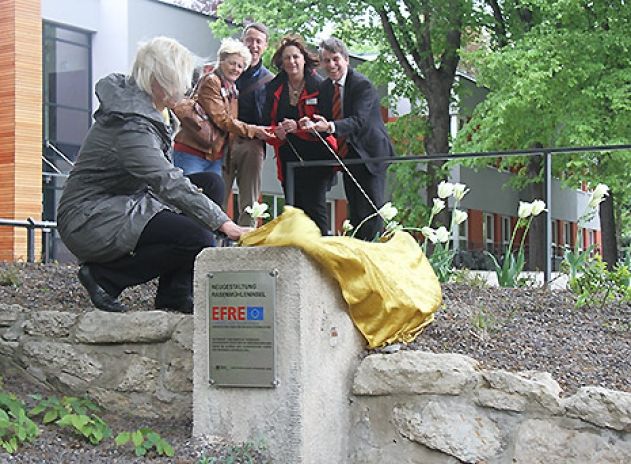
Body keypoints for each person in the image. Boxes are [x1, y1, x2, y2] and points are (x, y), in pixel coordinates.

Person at [57, 37, 250, 314]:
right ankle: (105, 277)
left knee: (211, 184)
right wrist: (224, 223)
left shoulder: (144, 107)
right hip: (89, 218)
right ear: (159, 80)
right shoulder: (130, 124)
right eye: (179, 79)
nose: (185, 86)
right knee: (199, 238)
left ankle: (175, 292)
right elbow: (165, 180)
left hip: (124, 201)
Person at [300, 37, 395, 241]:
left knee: (371, 209)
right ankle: (359, 249)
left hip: (371, 154)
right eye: (326, 61)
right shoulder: (325, 88)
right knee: (355, 211)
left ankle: (373, 251)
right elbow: (324, 118)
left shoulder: (362, 85)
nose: (331, 65)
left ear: (345, 59)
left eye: (335, 59)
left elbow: (358, 121)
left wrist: (330, 126)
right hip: (348, 155)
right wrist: (311, 123)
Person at [262, 34, 337, 235]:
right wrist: (276, 133)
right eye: (287, 58)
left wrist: (299, 126)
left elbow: (328, 121)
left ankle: (322, 255)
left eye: (296, 56)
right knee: (293, 209)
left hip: (317, 156)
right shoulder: (273, 88)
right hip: (288, 156)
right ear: (281, 62)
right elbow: (266, 124)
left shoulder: (321, 86)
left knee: (316, 208)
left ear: (304, 59)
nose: (292, 61)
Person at [172, 38, 271, 177]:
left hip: (214, 156)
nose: (236, 69)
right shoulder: (211, 81)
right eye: (232, 63)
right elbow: (222, 119)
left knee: (211, 198)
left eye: (240, 66)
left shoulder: (232, 90)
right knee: (186, 196)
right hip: (191, 151)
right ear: (221, 60)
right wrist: (254, 130)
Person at [223, 23, 274, 227]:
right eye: (249, 40)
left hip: (252, 144)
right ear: (242, 42)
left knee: (250, 203)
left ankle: (247, 245)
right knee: (217, 196)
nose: (253, 45)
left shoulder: (270, 80)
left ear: (265, 46)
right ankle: (209, 246)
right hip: (223, 143)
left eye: (258, 41)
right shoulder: (227, 71)